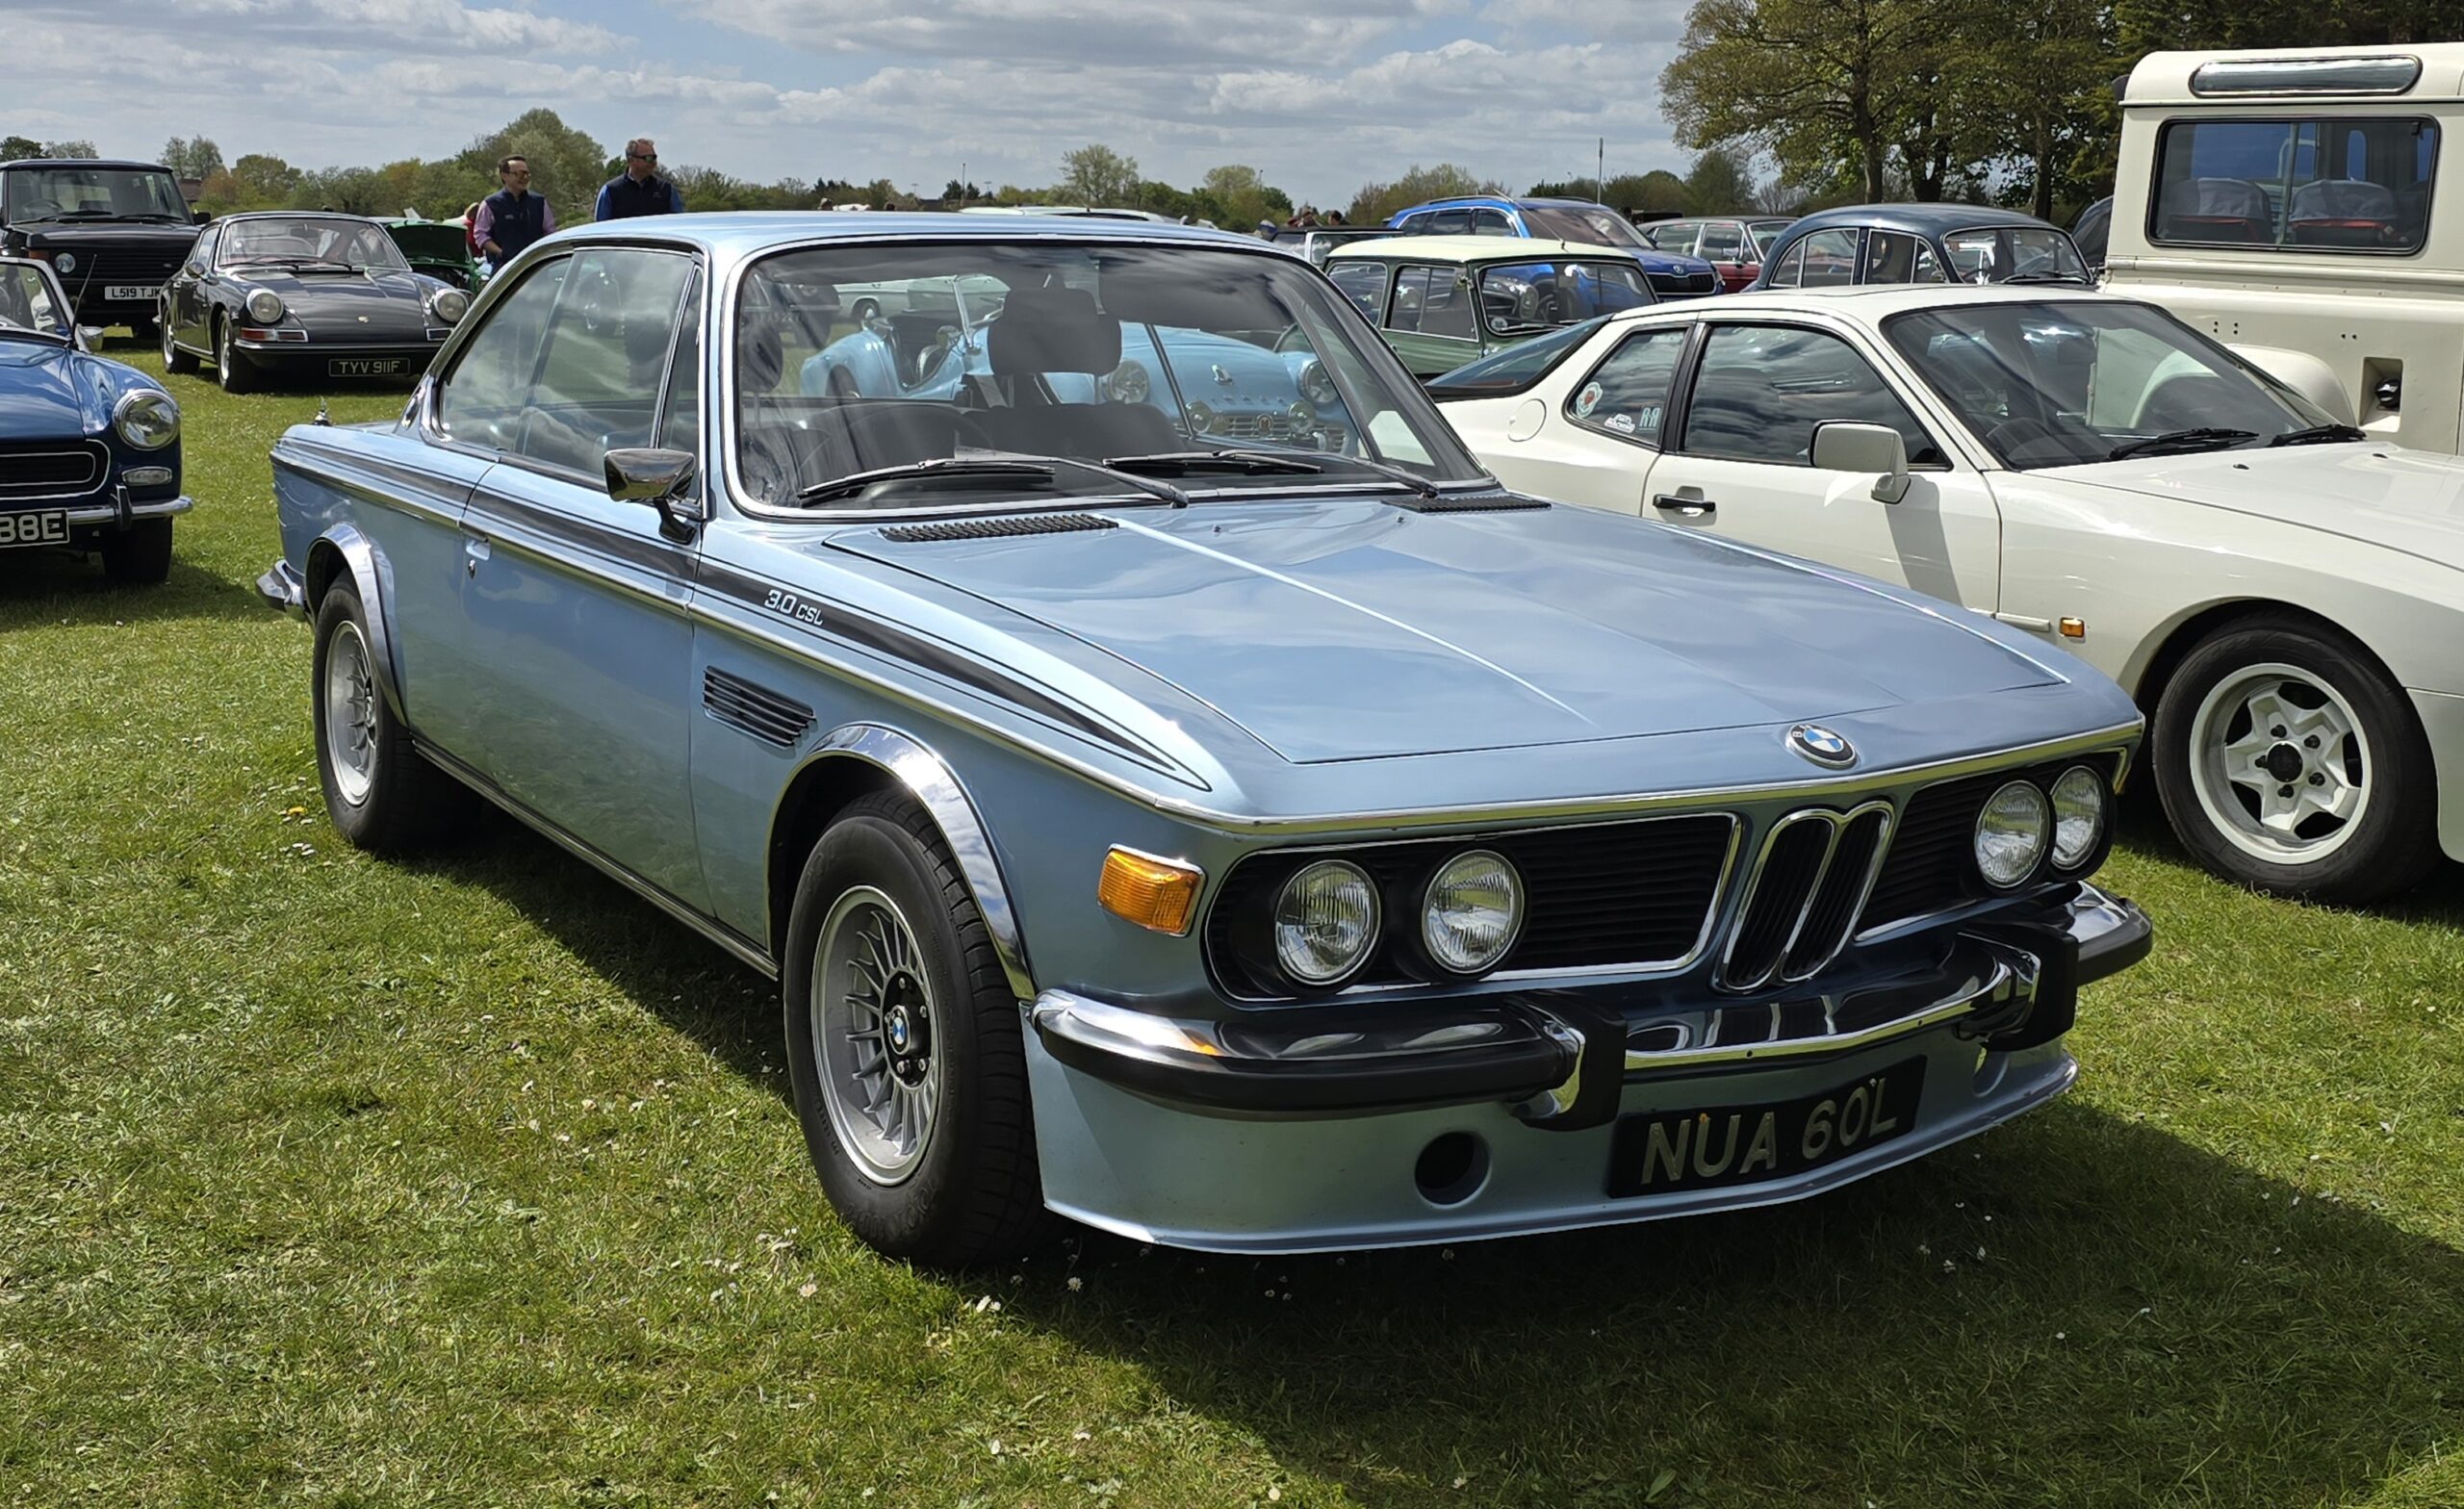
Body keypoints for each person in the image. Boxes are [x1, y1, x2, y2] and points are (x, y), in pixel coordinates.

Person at [473, 157, 555, 272]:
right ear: (504, 176)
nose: (525, 178)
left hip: (537, 269)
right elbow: (480, 235)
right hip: (504, 270)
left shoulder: (539, 202)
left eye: (527, 174)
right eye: (520, 174)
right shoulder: (491, 204)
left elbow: (551, 232)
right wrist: (501, 253)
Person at [596, 139, 685, 220]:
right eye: (648, 158)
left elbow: (678, 222)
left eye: (654, 157)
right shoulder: (610, 190)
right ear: (631, 161)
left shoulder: (666, 189)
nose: (653, 162)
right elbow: (601, 228)